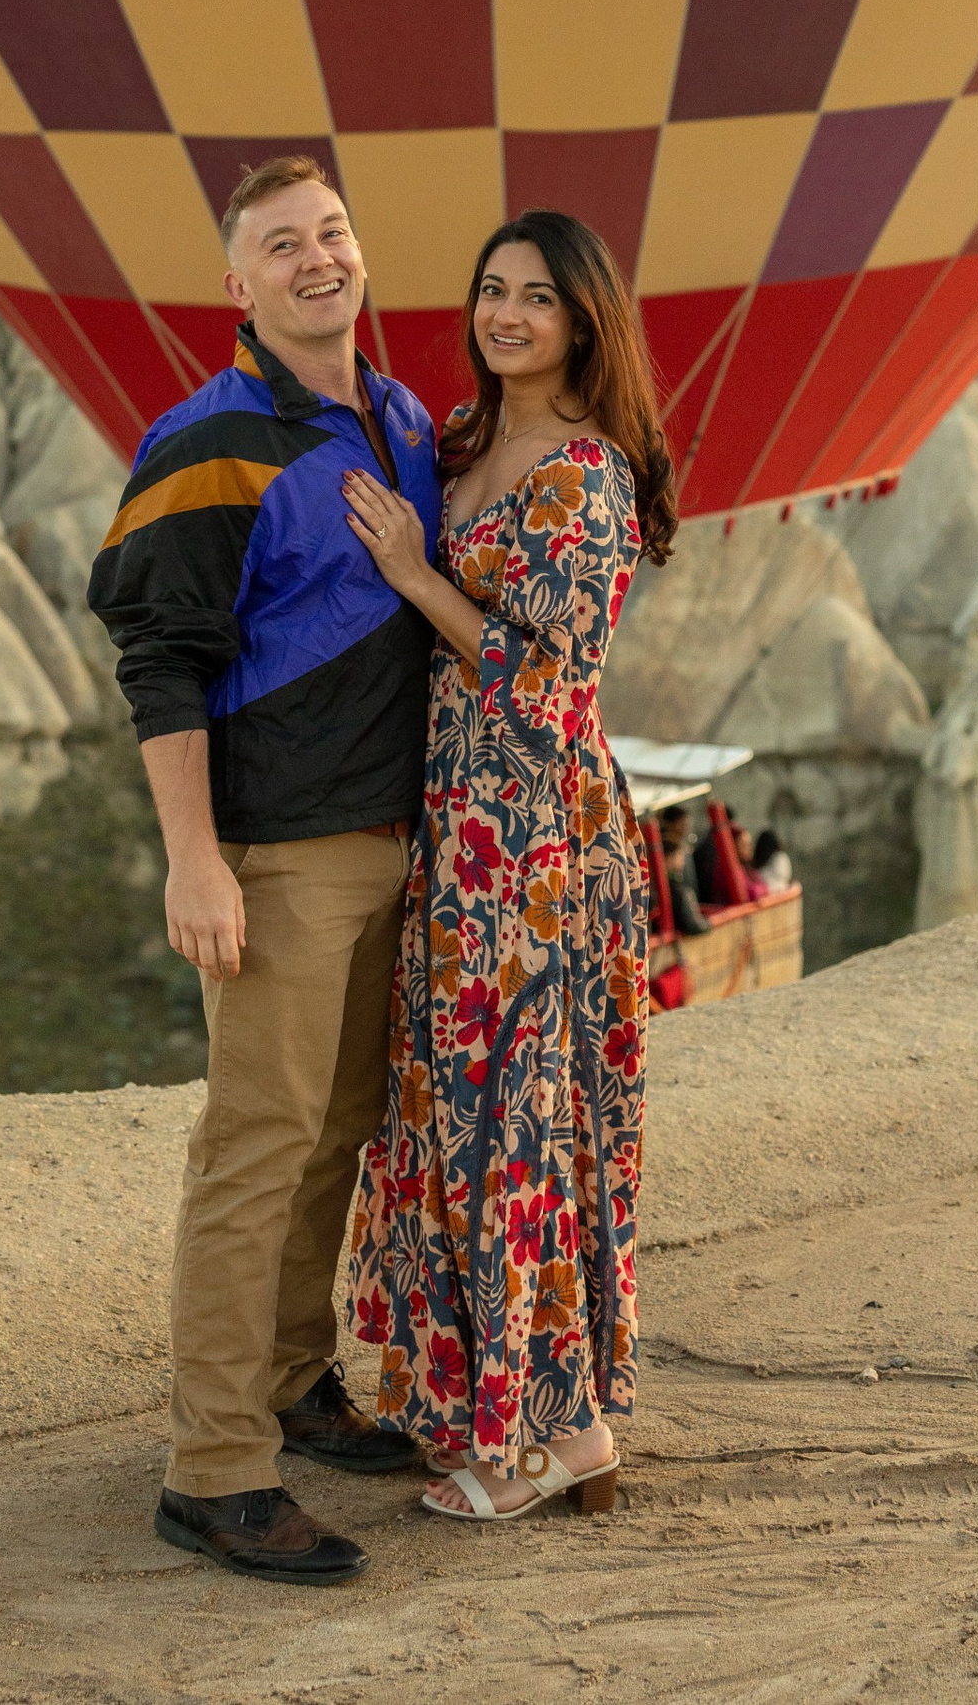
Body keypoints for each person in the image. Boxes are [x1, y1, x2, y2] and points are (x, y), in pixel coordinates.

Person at [87, 155, 442, 1585]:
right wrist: (197, 863)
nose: (318, 258)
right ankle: (216, 1468)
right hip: (280, 857)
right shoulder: (210, 439)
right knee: (255, 1147)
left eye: (335, 232)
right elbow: (158, 659)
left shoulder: (403, 414)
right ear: (236, 285)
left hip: (390, 846)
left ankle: (296, 1382)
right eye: (282, 244)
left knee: (337, 1130)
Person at [337, 208, 678, 1523]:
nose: (506, 313)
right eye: (490, 289)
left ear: (584, 319)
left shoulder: (585, 478)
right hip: (455, 829)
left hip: (534, 835)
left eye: (537, 296)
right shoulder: (464, 446)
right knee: (454, 1113)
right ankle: (492, 1405)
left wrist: (419, 577)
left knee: (516, 1116)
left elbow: (549, 689)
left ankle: (559, 1432)